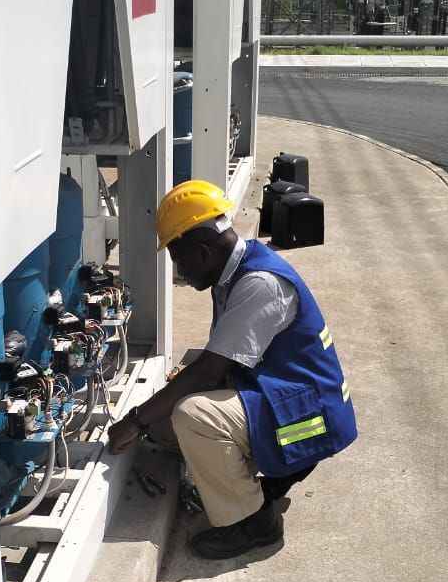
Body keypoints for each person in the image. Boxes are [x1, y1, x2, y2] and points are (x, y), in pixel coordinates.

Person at [107, 179, 357, 560]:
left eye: (180, 260)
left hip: (308, 417)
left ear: (204, 251)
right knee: (167, 420)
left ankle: (254, 522)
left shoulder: (259, 283)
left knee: (191, 416)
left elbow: (210, 370)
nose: (179, 272)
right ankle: (259, 481)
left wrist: (137, 420)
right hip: (285, 397)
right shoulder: (234, 272)